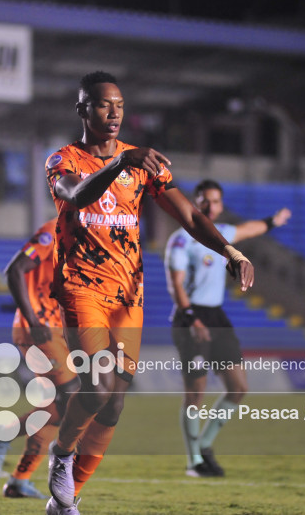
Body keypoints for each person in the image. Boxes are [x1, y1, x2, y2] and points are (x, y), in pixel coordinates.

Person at [44, 71, 254, 515]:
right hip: (82, 288)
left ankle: (67, 501)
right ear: (83, 109)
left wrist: (231, 252)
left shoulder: (142, 164)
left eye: (119, 104)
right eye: (103, 104)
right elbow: (77, 197)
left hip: (128, 296)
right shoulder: (62, 160)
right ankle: (61, 454)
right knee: (98, 388)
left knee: (115, 406)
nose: (114, 111)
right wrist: (120, 164)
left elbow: (191, 218)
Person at [164, 179, 291, 477]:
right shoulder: (181, 239)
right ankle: (194, 461)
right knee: (196, 394)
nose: (212, 206)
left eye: (217, 201)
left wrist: (274, 221)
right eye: (206, 200)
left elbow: (249, 229)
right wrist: (192, 318)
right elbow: (176, 285)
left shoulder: (222, 236)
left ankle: (205, 444)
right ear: (195, 202)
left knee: (238, 388)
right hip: (189, 318)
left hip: (216, 317)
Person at [0, 217, 80, 500]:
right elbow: (15, 270)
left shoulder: (89, 236)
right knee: (73, 397)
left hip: (62, 332)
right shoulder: (53, 232)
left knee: (53, 410)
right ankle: (2, 433)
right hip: (40, 329)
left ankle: (18, 481)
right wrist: (32, 319)